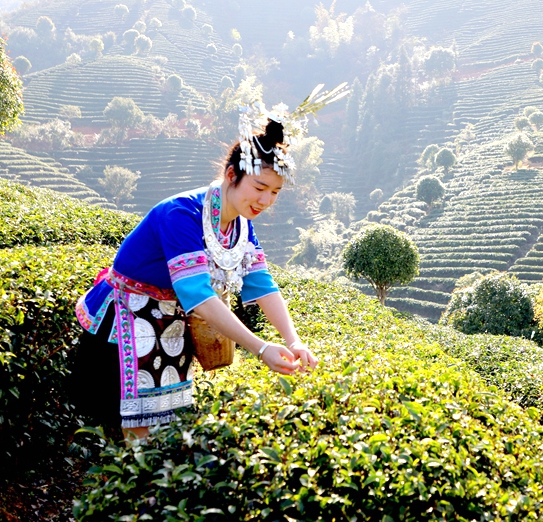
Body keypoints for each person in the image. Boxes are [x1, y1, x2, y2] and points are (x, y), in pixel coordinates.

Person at [68, 89, 350, 438]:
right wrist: (260, 348)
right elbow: (197, 294)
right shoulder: (181, 215)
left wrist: (294, 341)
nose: (265, 200)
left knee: (162, 430)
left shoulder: (242, 226)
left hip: (169, 324)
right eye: (260, 187)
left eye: (275, 193)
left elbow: (262, 284)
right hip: (126, 322)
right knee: (132, 434)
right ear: (232, 175)